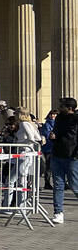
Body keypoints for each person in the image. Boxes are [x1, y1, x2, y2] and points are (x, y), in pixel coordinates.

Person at [49, 96, 78, 224]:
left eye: (62, 106)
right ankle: (58, 212)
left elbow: (72, 136)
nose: (59, 108)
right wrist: (52, 137)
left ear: (70, 108)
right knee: (58, 185)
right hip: (57, 154)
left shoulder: (76, 119)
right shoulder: (59, 118)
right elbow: (56, 132)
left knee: (74, 185)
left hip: (72, 156)